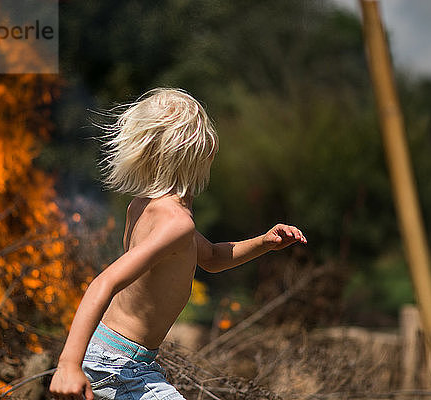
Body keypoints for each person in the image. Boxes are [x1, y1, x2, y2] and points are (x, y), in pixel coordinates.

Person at [49, 88, 307, 399]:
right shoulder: (176, 223)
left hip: (120, 357)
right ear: (200, 154)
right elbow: (104, 283)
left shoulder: (147, 207)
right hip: (118, 365)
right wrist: (68, 364)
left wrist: (264, 242)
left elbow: (211, 257)